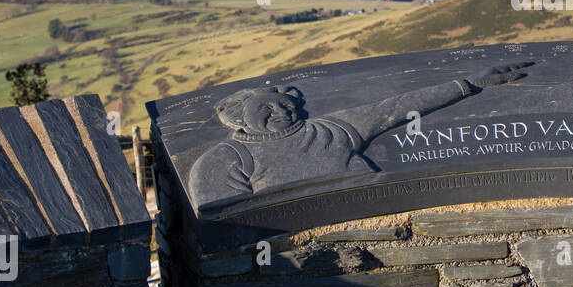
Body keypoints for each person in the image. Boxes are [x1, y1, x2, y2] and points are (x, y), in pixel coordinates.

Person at [187, 62, 531, 206]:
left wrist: (468, 85)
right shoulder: (226, 160)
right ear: (242, 121)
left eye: (284, 105)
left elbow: (397, 105)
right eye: (266, 110)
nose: (282, 112)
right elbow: (224, 229)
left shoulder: (329, 128)